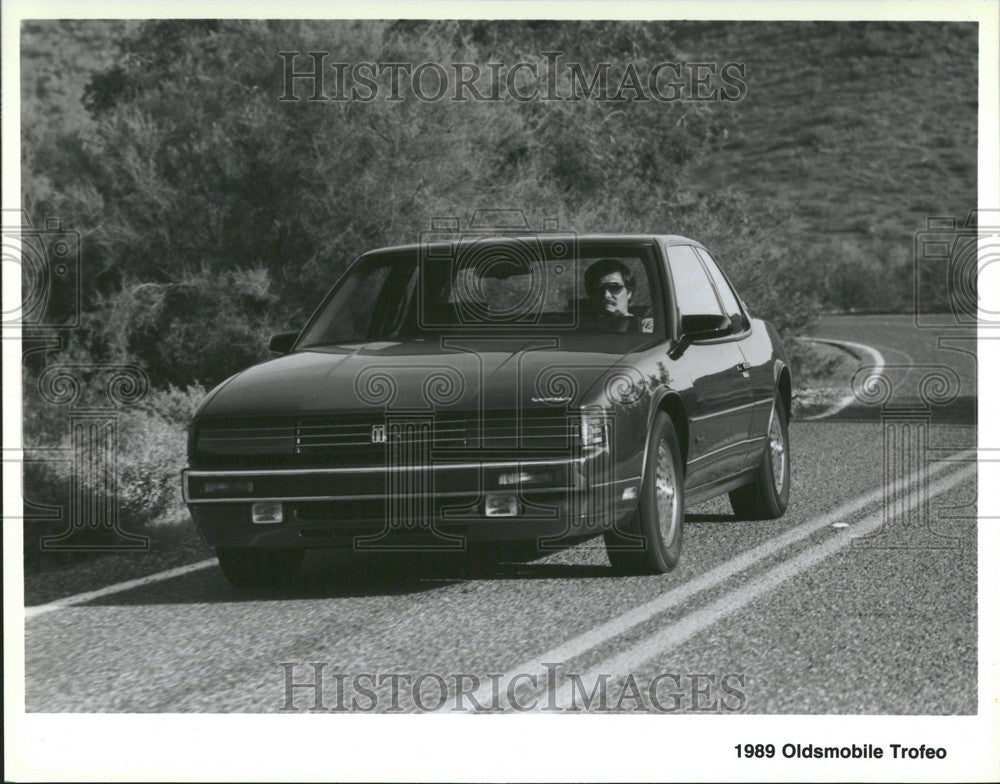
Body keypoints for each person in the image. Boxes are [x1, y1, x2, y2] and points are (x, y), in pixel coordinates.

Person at [583, 258, 651, 333]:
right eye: (598, 289)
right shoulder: (579, 328)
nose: (606, 295)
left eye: (614, 287)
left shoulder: (644, 326)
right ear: (590, 293)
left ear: (629, 293)